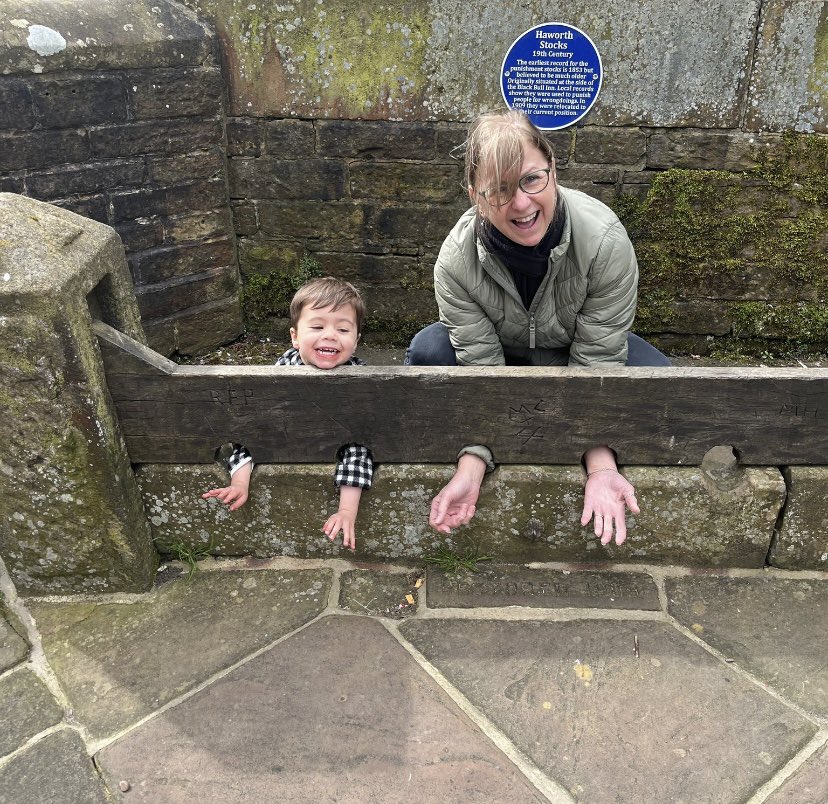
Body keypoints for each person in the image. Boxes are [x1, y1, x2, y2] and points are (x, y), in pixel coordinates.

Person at [406, 110, 671, 547]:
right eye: (499, 190)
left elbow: (597, 360)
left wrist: (600, 466)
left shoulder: (604, 241)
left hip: (575, 349)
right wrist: (473, 463)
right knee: (429, 351)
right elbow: (483, 372)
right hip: (503, 353)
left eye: (532, 179)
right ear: (475, 195)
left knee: (657, 382)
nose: (522, 204)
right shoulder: (455, 263)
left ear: (553, 169)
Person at [202, 277, 373, 550]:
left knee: (359, 447)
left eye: (342, 329)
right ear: (295, 337)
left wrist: (347, 511)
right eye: (317, 326)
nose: (329, 335)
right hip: (286, 433)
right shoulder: (281, 370)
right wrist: (241, 480)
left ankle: (347, 511)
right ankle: (240, 484)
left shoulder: (362, 378)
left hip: (338, 438)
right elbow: (252, 430)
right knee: (255, 432)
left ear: (356, 340)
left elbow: (363, 438)